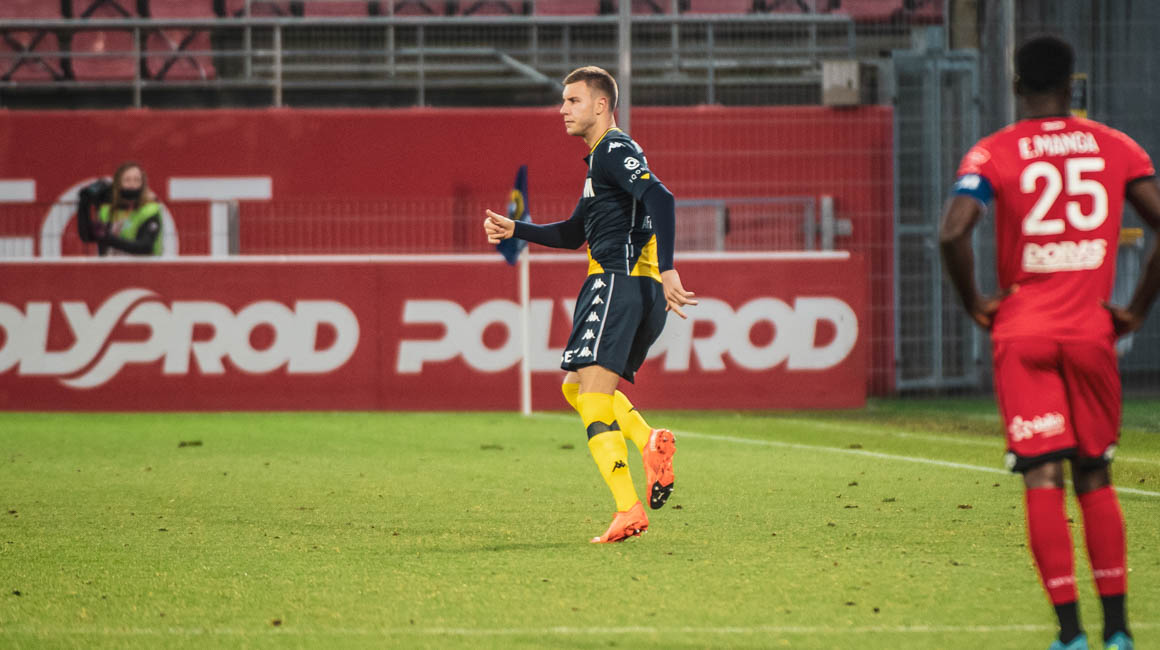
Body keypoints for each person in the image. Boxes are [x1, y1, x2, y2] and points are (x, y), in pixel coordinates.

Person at [940, 35, 1160, 650]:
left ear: (1016, 86)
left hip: (1023, 331)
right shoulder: (1117, 146)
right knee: (1095, 475)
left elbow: (953, 232)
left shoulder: (993, 151)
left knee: (1041, 476)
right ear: (1072, 85)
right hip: (1091, 331)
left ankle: (1070, 635)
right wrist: (1136, 310)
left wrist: (976, 302)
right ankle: (1118, 631)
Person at [483, 66, 697, 543]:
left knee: (594, 400)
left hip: (617, 284)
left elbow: (662, 199)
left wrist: (668, 268)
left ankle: (628, 508)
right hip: (630, 287)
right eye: (564, 100)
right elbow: (574, 232)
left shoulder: (614, 151)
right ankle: (647, 440)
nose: (563, 109)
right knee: (575, 388)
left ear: (601, 105)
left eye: (573, 100)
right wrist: (515, 228)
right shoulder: (603, 160)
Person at [76, 161, 163, 256]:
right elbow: (87, 237)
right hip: (111, 264)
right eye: (127, 180)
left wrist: (108, 238)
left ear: (143, 184)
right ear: (118, 184)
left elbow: (145, 247)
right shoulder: (107, 210)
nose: (132, 184)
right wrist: (84, 204)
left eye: (137, 180)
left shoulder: (150, 210)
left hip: (142, 265)